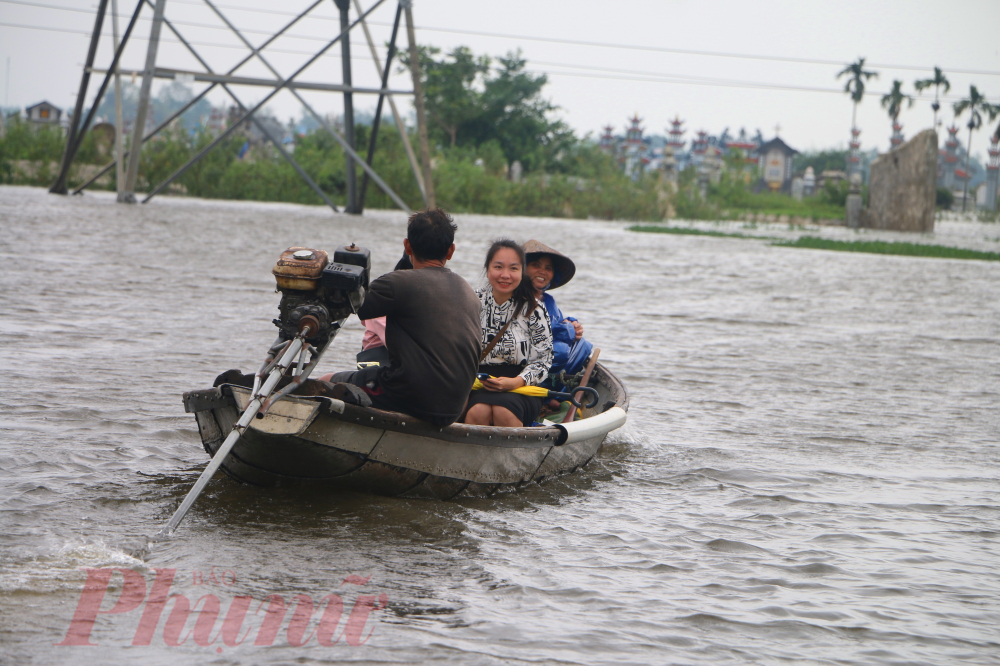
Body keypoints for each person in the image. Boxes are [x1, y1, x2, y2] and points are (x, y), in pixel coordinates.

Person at [326, 209, 481, 428]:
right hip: (454, 408)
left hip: (411, 398)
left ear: (407, 246)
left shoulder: (397, 283)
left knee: (324, 382)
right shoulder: (468, 291)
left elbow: (345, 304)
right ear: (451, 251)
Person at [463, 239, 553, 427]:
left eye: (513, 268)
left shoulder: (535, 310)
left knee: (503, 412)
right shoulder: (471, 302)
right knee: (478, 412)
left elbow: (543, 360)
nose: (505, 275)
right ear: (487, 269)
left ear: (522, 272)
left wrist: (516, 382)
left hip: (522, 387)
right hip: (477, 384)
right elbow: (456, 347)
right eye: (498, 267)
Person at [522, 240, 593, 382]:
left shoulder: (548, 300)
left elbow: (558, 322)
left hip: (545, 360)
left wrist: (572, 323)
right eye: (535, 265)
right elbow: (542, 330)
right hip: (524, 356)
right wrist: (569, 330)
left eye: (548, 268)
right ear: (522, 268)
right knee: (560, 350)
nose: (542, 271)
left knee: (583, 346)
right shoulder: (516, 296)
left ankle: (553, 391)